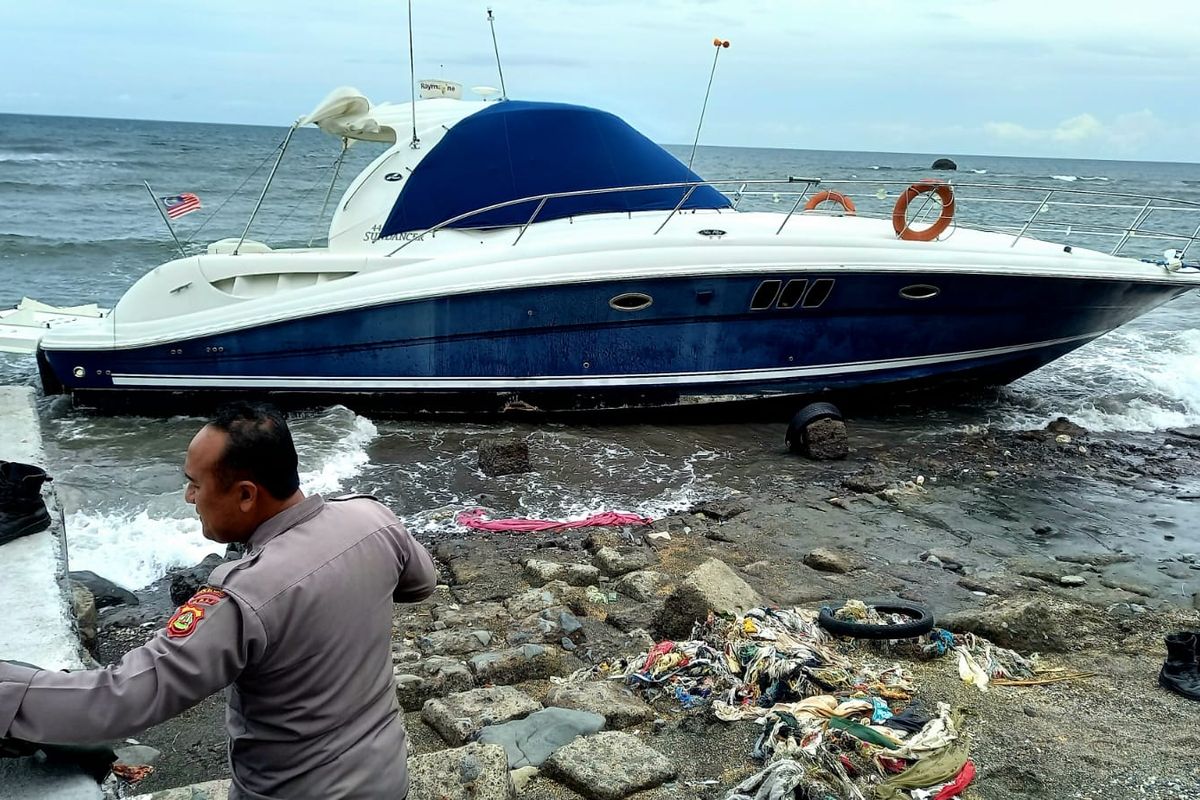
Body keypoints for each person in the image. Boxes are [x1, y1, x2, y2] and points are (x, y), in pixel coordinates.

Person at [0, 402, 437, 798]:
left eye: (195, 484)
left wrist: (9, 693)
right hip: (385, 776)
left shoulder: (242, 595)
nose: (189, 497)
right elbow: (421, 583)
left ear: (246, 494)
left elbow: (124, 698)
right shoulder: (373, 518)